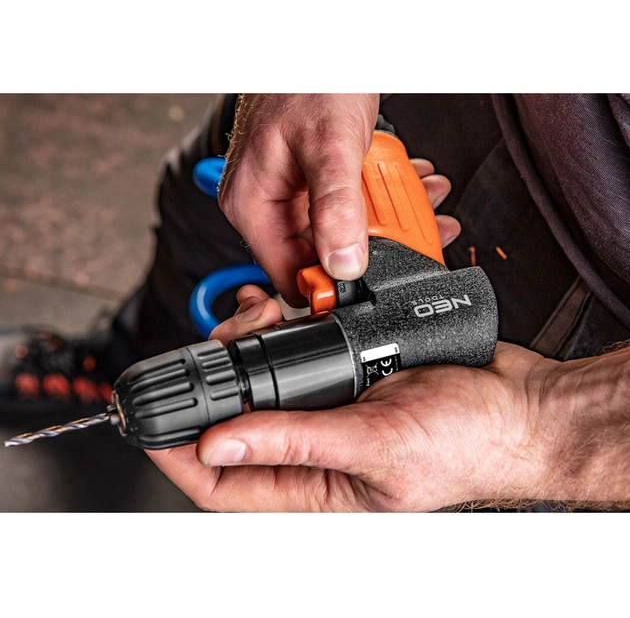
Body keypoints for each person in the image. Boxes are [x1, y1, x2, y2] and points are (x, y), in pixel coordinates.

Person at [2, 94, 629, 511]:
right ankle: (112, 362)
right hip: (439, 89)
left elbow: (533, 434)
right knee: (205, 214)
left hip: (591, 323)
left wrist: (539, 427)